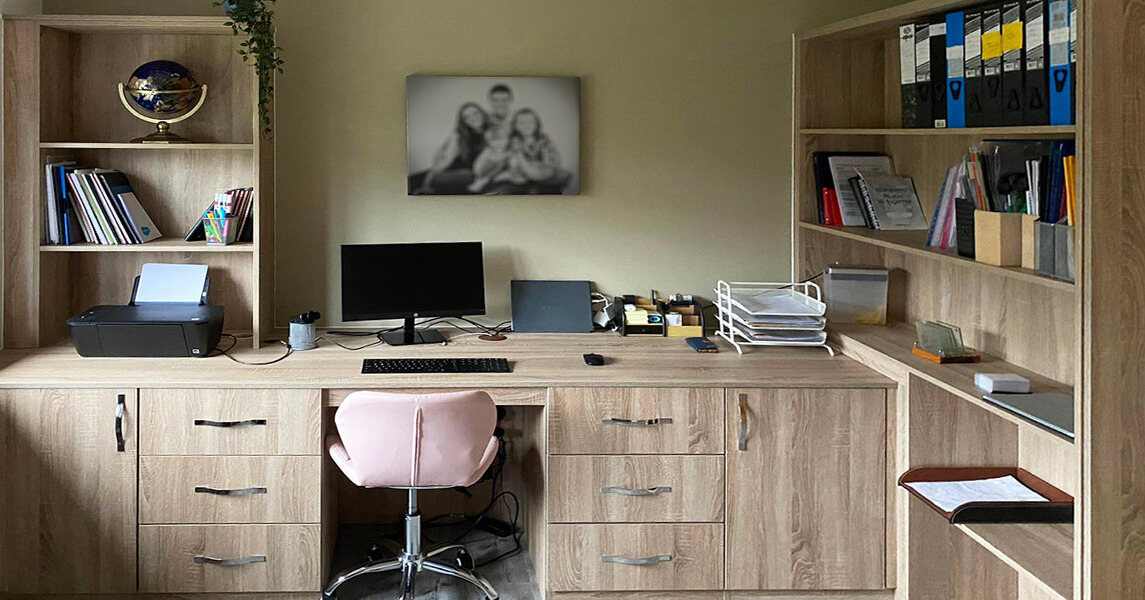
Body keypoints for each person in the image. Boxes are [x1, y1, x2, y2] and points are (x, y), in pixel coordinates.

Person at [412, 102, 488, 194]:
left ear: (482, 113)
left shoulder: (494, 132)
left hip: (472, 174)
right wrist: (430, 177)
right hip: (455, 171)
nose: (472, 118)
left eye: (475, 113)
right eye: (467, 117)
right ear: (464, 122)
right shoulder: (460, 136)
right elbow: (447, 159)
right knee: (415, 180)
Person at [496, 108, 564, 186]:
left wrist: (543, 164)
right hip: (522, 170)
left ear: (536, 124)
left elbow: (553, 158)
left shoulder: (544, 139)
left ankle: (525, 176)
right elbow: (513, 160)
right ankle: (517, 176)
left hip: (541, 169)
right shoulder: (515, 141)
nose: (526, 126)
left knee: (548, 169)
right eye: (521, 123)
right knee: (515, 161)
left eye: (530, 122)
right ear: (515, 126)